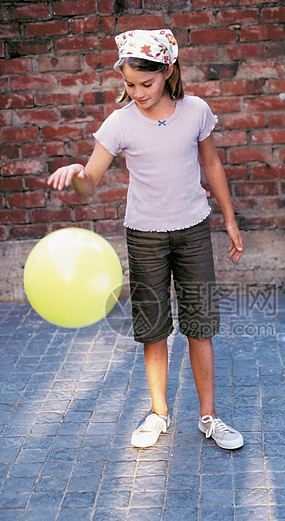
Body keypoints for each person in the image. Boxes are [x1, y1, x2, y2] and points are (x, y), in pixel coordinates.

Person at [47, 29, 244, 450]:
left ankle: (208, 417)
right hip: (145, 237)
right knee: (153, 330)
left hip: (193, 231)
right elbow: (91, 181)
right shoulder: (119, 123)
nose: (137, 92)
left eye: (145, 84)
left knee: (200, 326)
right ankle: (159, 415)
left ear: (168, 71)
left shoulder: (195, 111)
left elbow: (211, 163)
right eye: (129, 84)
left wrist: (229, 219)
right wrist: (77, 173)